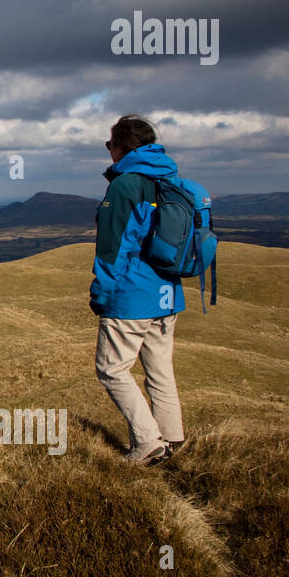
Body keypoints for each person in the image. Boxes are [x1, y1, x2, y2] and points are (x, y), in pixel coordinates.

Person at [89, 115, 186, 466]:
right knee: (160, 370)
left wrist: (101, 293)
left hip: (132, 297)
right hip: (168, 295)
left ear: (121, 147)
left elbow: (112, 248)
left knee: (112, 369)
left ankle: (148, 443)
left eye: (110, 144)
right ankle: (172, 437)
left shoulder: (125, 186)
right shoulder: (170, 181)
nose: (108, 150)